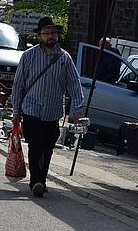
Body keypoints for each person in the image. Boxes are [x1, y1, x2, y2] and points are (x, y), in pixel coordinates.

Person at [12, 16, 85, 197]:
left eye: (53, 33)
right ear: (40, 36)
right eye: (46, 33)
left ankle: (41, 180)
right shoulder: (29, 56)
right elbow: (19, 84)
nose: (50, 36)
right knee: (36, 145)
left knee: (47, 148)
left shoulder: (64, 58)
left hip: (52, 112)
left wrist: (77, 110)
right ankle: (37, 181)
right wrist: (16, 111)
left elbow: (74, 84)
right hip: (31, 109)